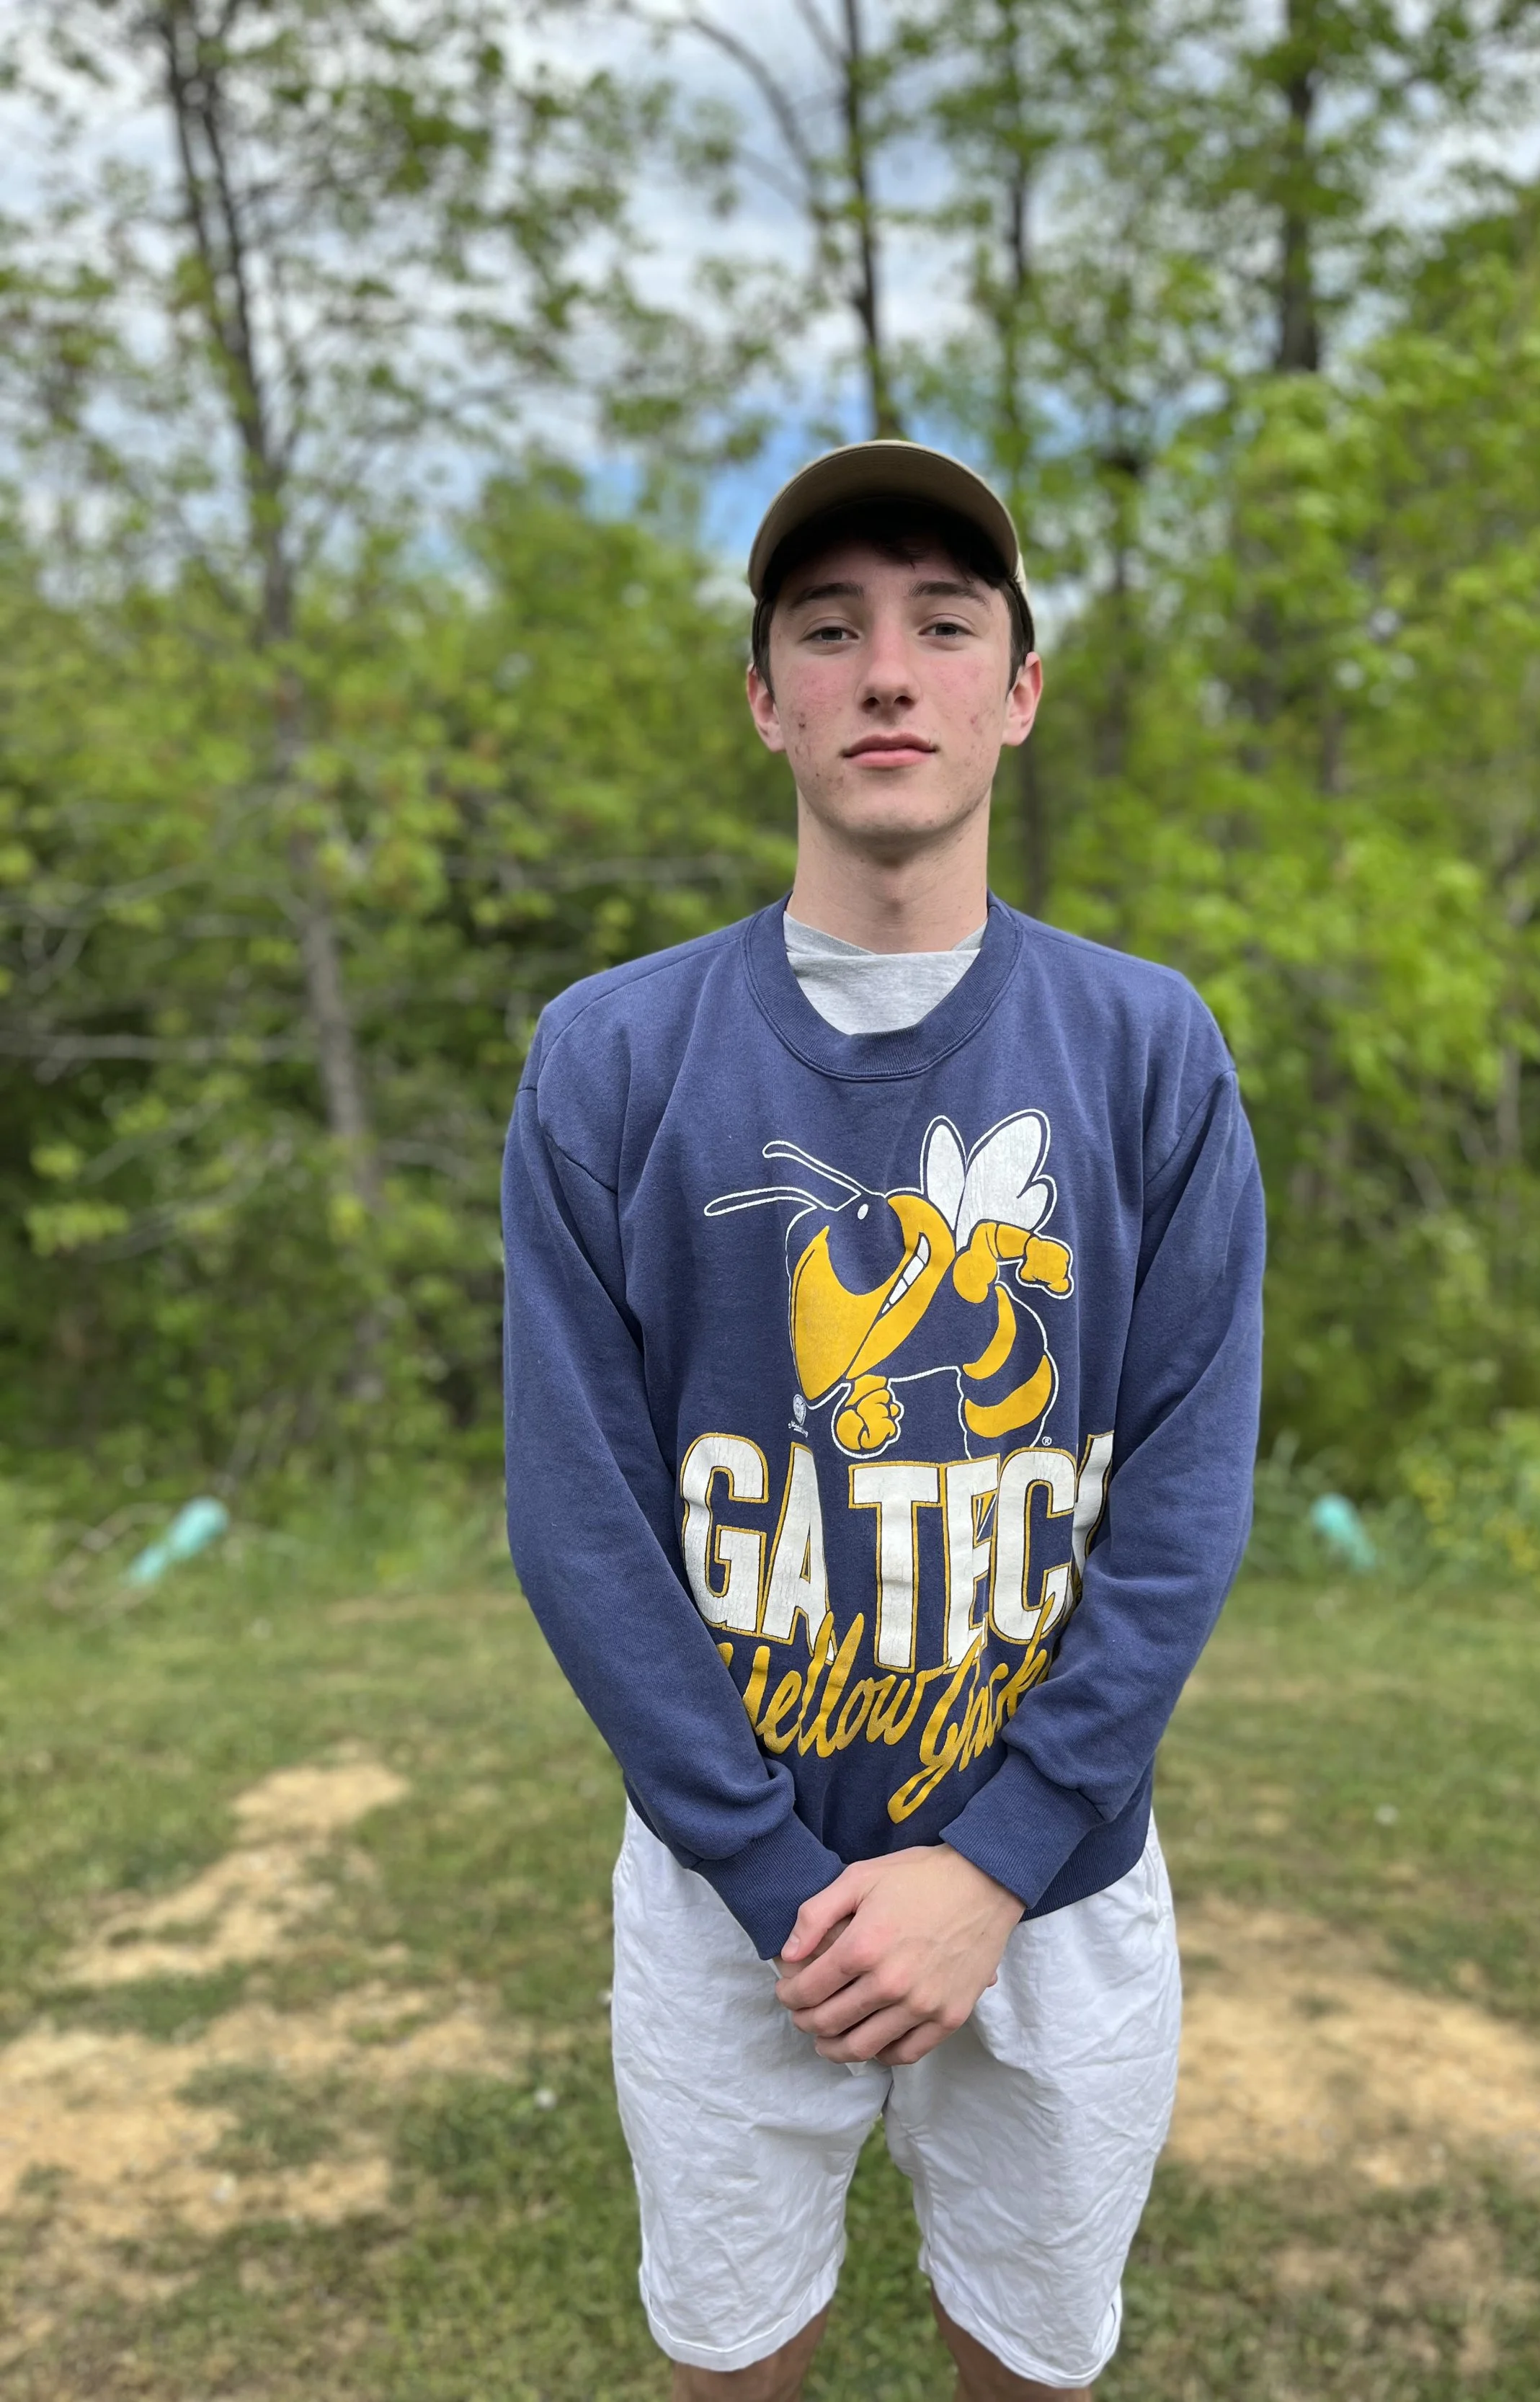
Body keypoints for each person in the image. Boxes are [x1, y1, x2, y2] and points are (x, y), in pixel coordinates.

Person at [502, 440, 1264, 2401]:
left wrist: (995, 1858)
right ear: (765, 698)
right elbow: (582, 1519)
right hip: (727, 1887)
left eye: (945, 624)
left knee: (1026, 2355)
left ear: (1017, 688)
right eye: (826, 631)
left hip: (1057, 1886)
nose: (887, 673)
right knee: (733, 2356)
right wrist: (773, 1880)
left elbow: (1176, 1498)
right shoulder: (609, 1056)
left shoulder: (1144, 1046)